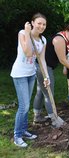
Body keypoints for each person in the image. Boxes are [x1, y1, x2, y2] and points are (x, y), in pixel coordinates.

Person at [10, 13, 50, 147]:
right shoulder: (22, 33)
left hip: (31, 73)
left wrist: (46, 76)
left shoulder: (43, 40)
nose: (41, 26)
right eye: (39, 23)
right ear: (32, 23)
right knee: (24, 106)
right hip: (19, 73)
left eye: (44, 24)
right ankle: (17, 135)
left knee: (25, 106)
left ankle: (23, 130)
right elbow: (27, 52)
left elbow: (41, 59)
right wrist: (28, 33)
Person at [33, 25, 69, 124]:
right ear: (66, 30)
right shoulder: (59, 40)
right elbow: (63, 60)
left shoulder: (66, 39)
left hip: (45, 66)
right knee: (48, 92)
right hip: (43, 67)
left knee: (41, 91)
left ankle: (37, 116)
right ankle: (54, 119)